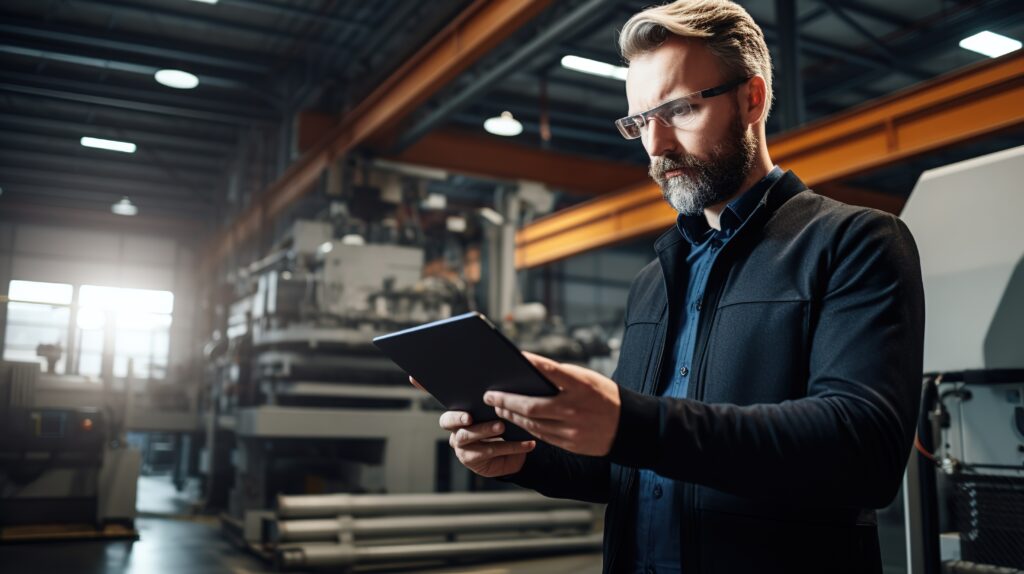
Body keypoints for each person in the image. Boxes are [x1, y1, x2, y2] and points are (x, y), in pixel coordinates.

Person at [426, 1, 925, 572]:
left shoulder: (855, 243)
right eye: (640, 122)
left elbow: (861, 450)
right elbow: (624, 466)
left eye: (680, 109)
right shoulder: (655, 281)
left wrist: (631, 422)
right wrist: (520, 453)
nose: (657, 146)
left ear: (751, 99)